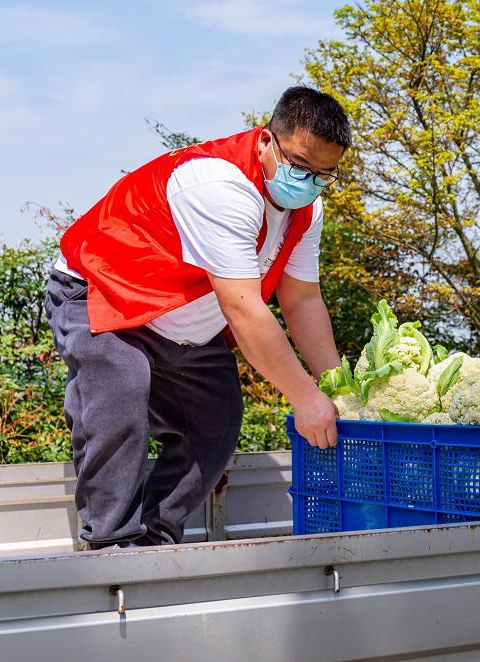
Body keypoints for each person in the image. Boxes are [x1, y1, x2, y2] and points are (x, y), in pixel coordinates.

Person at [44, 86, 349, 548]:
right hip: (103, 291)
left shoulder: (307, 208)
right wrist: (304, 400)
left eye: (324, 174)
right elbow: (244, 308)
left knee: (215, 421)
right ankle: (110, 546)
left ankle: (156, 538)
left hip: (183, 318)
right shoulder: (219, 185)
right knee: (120, 389)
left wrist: (336, 388)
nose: (307, 183)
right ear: (267, 140)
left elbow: (302, 300)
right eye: (300, 166)